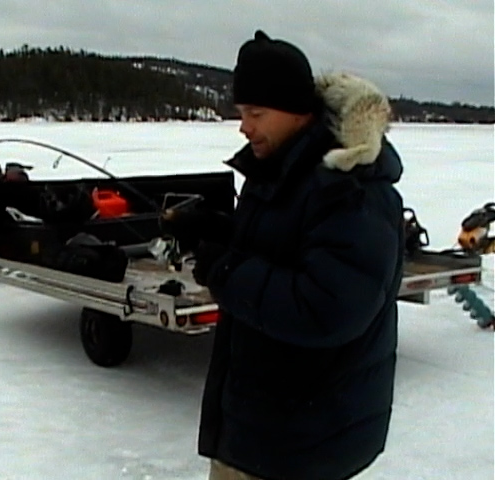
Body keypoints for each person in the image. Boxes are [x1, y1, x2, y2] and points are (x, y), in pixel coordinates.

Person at [163, 30, 405, 480]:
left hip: (302, 442)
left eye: (256, 112)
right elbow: (283, 245)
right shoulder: (279, 167)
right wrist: (216, 233)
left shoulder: (350, 188)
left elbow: (327, 307)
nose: (244, 125)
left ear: (299, 113)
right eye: (240, 112)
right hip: (267, 428)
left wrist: (228, 269)